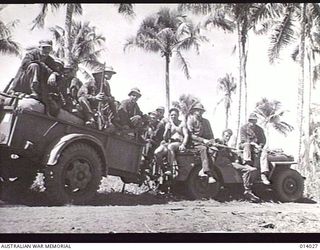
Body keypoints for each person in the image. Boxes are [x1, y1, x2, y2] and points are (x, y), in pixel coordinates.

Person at [215, 129, 260, 202]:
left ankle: (243, 190)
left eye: (229, 136)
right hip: (224, 164)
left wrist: (235, 157)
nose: (228, 138)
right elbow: (215, 145)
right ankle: (247, 191)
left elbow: (231, 153)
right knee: (247, 170)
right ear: (223, 135)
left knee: (248, 168)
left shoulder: (226, 145)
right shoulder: (219, 141)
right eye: (226, 136)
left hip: (229, 163)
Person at [186, 103, 217, 183]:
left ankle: (206, 170)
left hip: (206, 143)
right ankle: (206, 172)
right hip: (193, 143)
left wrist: (212, 142)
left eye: (201, 111)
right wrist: (203, 140)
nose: (199, 112)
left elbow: (211, 135)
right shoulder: (190, 120)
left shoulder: (206, 122)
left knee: (214, 150)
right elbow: (190, 135)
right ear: (194, 111)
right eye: (198, 110)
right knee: (203, 149)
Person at [154, 108, 188, 177]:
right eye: (172, 115)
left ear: (178, 115)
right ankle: (164, 169)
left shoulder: (182, 123)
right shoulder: (169, 124)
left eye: (175, 115)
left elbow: (186, 135)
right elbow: (165, 137)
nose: (173, 116)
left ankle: (170, 168)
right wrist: (167, 130)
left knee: (170, 147)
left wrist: (183, 144)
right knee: (157, 152)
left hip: (178, 143)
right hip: (169, 142)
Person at [239, 112, 270, 185]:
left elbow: (263, 140)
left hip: (256, 147)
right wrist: (253, 144)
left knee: (264, 152)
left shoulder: (260, 129)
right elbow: (243, 139)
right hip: (245, 145)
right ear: (249, 120)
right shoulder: (243, 128)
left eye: (254, 120)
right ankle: (247, 162)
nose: (252, 122)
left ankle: (263, 173)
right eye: (251, 120)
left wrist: (260, 146)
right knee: (247, 145)